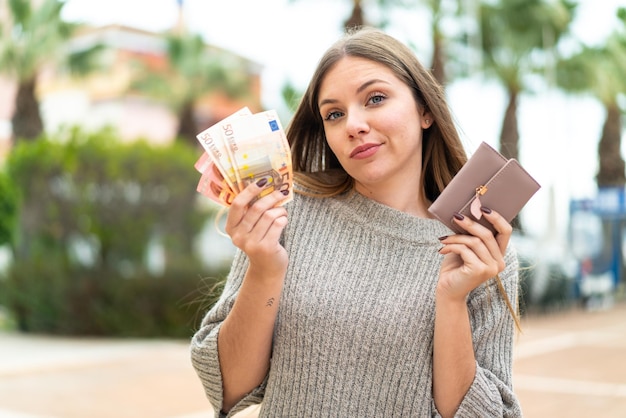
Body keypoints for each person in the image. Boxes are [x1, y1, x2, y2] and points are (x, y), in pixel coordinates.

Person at [191, 26, 523, 418]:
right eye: (334, 113)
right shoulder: (286, 213)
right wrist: (264, 270)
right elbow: (228, 389)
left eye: (376, 99)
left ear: (425, 110)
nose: (353, 124)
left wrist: (451, 300)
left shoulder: (476, 245)